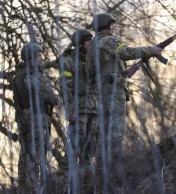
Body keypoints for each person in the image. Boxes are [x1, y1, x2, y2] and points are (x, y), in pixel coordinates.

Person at [86, 13, 162, 191]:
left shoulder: (93, 46)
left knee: (103, 131)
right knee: (117, 129)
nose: (113, 28)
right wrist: (151, 50)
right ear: (106, 25)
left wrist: (123, 73)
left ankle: (101, 172)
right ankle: (114, 170)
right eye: (111, 25)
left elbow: (97, 69)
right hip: (113, 90)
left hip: (102, 89)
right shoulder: (107, 40)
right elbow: (126, 52)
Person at [13, 43, 59, 193]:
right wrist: (56, 98)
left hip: (23, 122)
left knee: (24, 155)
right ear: (31, 59)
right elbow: (50, 97)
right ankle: (33, 189)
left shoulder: (18, 76)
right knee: (36, 157)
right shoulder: (35, 75)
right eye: (38, 56)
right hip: (36, 121)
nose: (41, 59)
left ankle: (24, 188)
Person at [59, 29, 98, 192]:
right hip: (79, 109)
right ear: (80, 43)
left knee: (90, 145)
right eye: (88, 41)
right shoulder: (68, 61)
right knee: (76, 143)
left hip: (94, 109)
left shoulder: (93, 60)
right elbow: (65, 87)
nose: (91, 44)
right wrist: (69, 111)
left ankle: (87, 178)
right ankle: (67, 178)